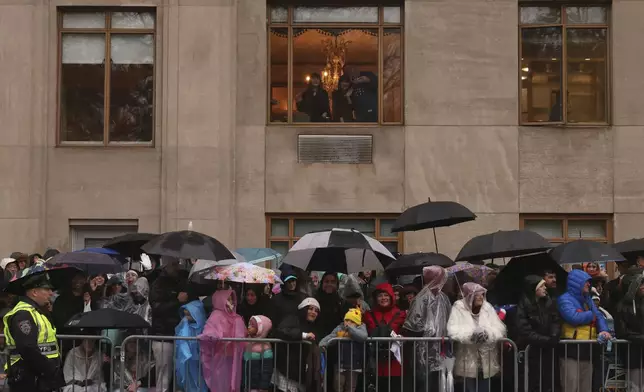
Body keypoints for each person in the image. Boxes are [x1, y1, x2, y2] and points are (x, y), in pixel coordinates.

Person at [2, 273, 64, 392]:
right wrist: (48, 367)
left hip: (40, 377)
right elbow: (27, 348)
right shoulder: (23, 314)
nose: (51, 293)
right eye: (47, 289)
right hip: (29, 377)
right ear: (34, 292)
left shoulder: (37, 311)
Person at [558, 269, 612, 392]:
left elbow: (599, 316)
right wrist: (590, 315)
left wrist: (604, 330)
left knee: (585, 387)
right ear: (577, 283)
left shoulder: (587, 299)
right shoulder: (564, 299)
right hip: (570, 352)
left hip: (588, 351)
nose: (589, 284)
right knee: (571, 386)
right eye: (586, 282)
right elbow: (573, 317)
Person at [447, 282, 507, 392]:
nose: (481, 297)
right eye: (477, 294)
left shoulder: (487, 307)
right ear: (470, 295)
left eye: (482, 294)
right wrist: (472, 335)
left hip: (486, 358)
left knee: (485, 388)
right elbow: (453, 329)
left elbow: (499, 328)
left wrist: (487, 334)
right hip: (468, 358)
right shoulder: (459, 307)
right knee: (469, 388)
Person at [402, 266, 452, 391]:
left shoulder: (443, 298)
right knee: (425, 383)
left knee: (438, 383)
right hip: (423, 349)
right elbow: (414, 325)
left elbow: (449, 320)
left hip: (440, 347)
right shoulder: (421, 298)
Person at [149, 260, 190, 392]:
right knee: (164, 375)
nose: (177, 266)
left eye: (178, 262)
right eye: (174, 263)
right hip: (163, 335)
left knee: (179, 375)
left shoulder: (182, 281)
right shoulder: (158, 284)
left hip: (179, 335)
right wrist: (176, 301)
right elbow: (157, 308)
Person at [514, 276, 561, 392]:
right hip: (530, 351)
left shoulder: (548, 301)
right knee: (531, 382)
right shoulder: (523, 305)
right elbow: (524, 330)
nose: (545, 288)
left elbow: (555, 320)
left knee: (547, 382)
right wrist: (545, 340)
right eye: (542, 286)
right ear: (533, 289)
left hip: (547, 351)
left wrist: (554, 335)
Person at [199, 289, 246, 392]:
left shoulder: (236, 317)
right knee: (220, 383)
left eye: (232, 299)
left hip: (232, 356)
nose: (231, 302)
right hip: (220, 356)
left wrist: (237, 322)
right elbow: (209, 332)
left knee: (232, 382)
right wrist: (213, 336)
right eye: (227, 299)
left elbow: (241, 336)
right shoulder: (216, 315)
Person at [272, 297, 323, 392]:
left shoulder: (314, 327)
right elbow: (282, 331)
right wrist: (303, 335)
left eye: (316, 311)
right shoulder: (292, 318)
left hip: (301, 372)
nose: (313, 312)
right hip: (287, 369)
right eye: (310, 309)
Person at [363, 283, 406, 392]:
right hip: (374, 364)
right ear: (375, 298)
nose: (383, 298)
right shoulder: (368, 314)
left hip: (395, 364)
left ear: (391, 296)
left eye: (386, 295)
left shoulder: (401, 314)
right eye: (380, 295)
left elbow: (406, 332)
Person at [320, 308, 368, 392]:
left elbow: (363, 336)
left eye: (352, 321)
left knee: (350, 388)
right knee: (337, 385)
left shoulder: (361, 327)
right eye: (347, 320)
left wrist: (350, 329)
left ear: (357, 323)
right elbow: (330, 337)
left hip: (354, 365)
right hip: (340, 364)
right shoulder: (340, 328)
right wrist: (322, 344)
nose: (348, 323)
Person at [615, 273, 644, 391]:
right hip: (632, 353)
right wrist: (641, 338)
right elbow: (622, 331)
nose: (643, 286)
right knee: (635, 386)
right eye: (641, 284)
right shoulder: (622, 306)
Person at [175, 300, 207, 392]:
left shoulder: (203, 327)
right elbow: (181, 341)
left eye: (189, 315)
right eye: (185, 315)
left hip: (200, 360)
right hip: (188, 360)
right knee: (190, 381)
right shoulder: (185, 325)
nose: (186, 318)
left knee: (200, 380)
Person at [243, 315, 274, 392]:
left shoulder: (266, 346)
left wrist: (263, 387)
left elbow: (267, 370)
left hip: (258, 386)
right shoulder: (247, 342)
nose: (249, 327)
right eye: (249, 324)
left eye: (252, 325)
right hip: (247, 384)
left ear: (260, 328)